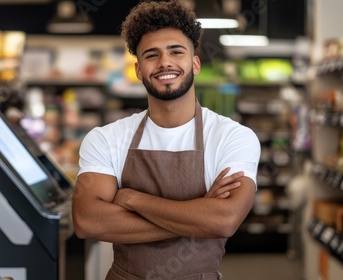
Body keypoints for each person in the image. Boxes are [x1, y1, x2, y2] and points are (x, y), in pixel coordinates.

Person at [72, 0, 261, 279]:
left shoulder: (232, 137)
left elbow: (224, 220)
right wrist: (197, 216)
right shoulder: (106, 138)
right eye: (151, 55)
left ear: (195, 63)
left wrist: (132, 199)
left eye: (176, 51)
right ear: (138, 70)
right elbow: (87, 221)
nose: (165, 63)